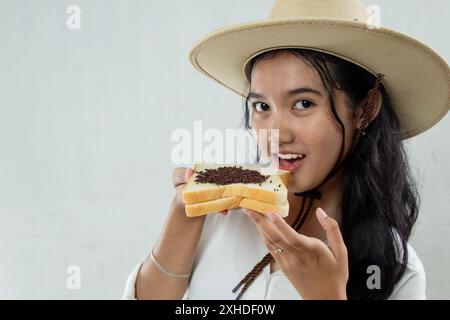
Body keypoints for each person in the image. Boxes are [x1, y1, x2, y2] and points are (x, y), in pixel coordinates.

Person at [122, 0, 449, 300]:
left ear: (364, 109)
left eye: (303, 103)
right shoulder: (220, 215)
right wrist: (183, 213)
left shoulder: (397, 271)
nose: (275, 133)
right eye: (262, 106)